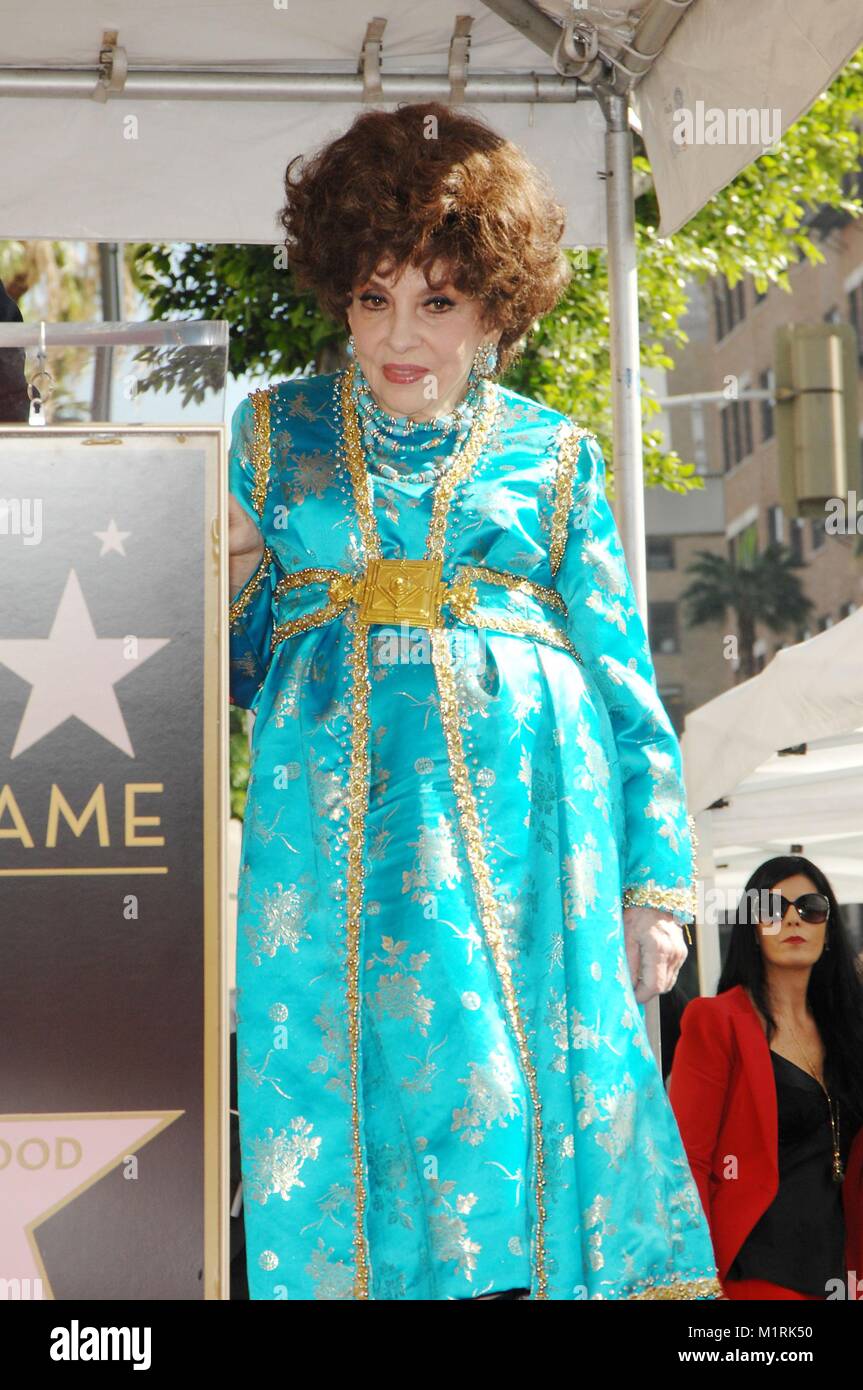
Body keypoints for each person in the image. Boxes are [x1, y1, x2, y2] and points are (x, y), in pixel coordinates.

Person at [227, 101, 721, 1301]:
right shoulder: (270, 434)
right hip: (331, 833)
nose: (399, 332)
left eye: (437, 300)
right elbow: (238, 676)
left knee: (519, 1101)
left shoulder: (556, 456)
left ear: (496, 307)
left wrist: (652, 883)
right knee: (358, 1097)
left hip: (530, 839)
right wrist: (232, 578)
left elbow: (619, 677)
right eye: (372, 296)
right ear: (339, 292)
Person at [669, 855, 863, 1300]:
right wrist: (696, 1279)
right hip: (752, 1277)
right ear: (753, 931)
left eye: (811, 907)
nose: (794, 918)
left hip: (842, 1275)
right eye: (773, 910)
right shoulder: (716, 1021)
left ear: (828, 929)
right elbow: (689, 1161)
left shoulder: (849, 1032)